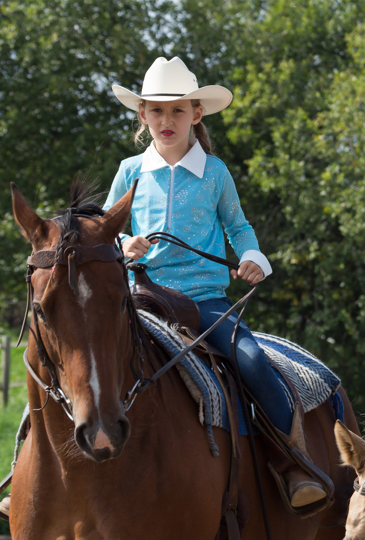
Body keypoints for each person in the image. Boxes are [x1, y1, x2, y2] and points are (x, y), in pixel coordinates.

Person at [106, 56, 325, 511]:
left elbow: (239, 227)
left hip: (203, 302)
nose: (167, 120)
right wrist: (124, 243)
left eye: (178, 110)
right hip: (137, 297)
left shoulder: (216, 173)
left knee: (252, 361)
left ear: (197, 113)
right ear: (142, 115)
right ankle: (27, 466)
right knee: (72, 353)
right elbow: (103, 229)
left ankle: (294, 464)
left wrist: (252, 257)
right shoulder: (130, 170)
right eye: (157, 110)